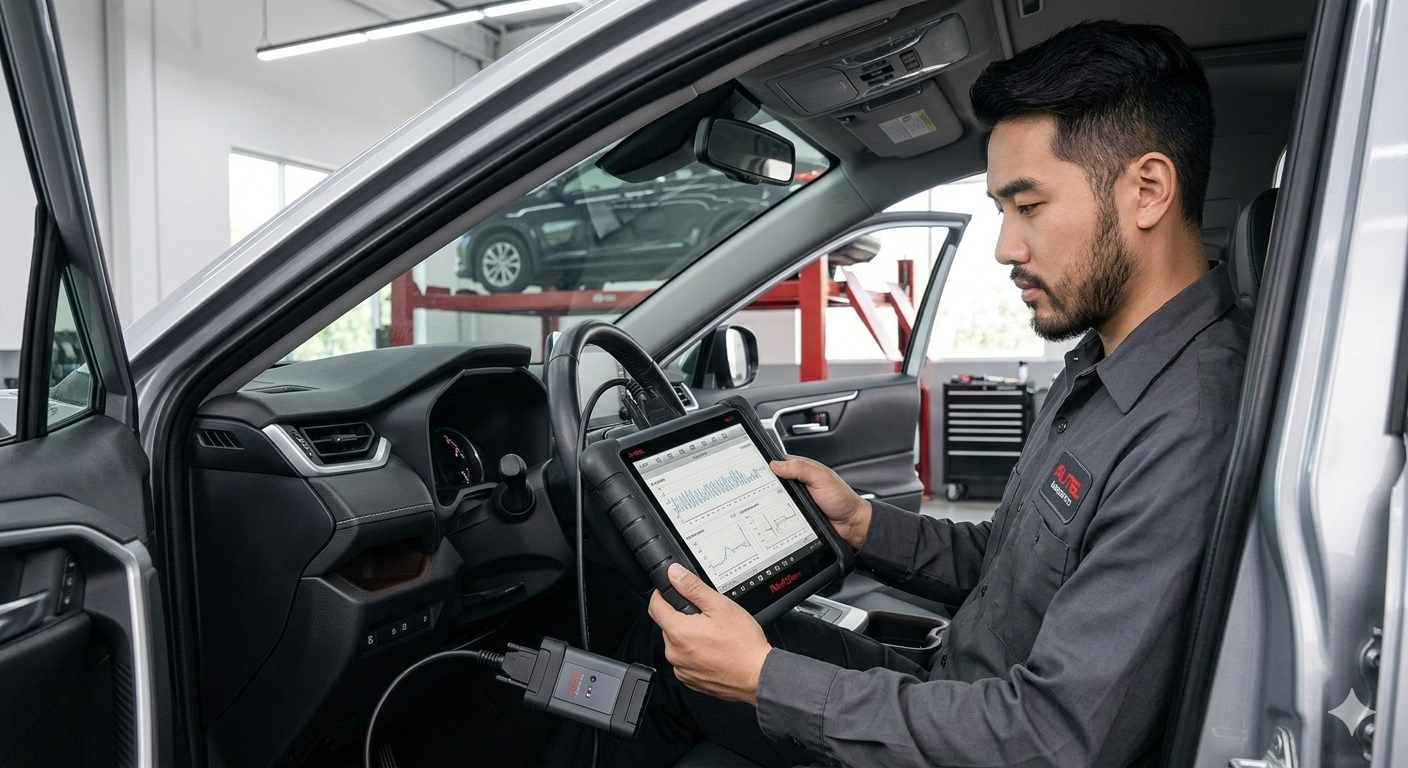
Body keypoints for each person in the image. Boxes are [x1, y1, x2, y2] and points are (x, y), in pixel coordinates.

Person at [576, 19, 1250, 767]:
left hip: (985, 736)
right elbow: (1006, 566)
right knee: (668, 647)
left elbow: (1049, 740)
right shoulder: (1101, 365)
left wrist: (765, 680)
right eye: (1001, 212)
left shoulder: (1189, 424)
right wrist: (863, 524)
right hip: (952, 687)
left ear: (1148, 191)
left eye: (1029, 206)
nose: (1005, 248)